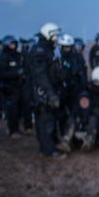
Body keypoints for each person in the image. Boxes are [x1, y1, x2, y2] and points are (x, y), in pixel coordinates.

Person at [29, 22, 66, 159]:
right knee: (47, 121)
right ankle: (48, 151)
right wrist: (50, 94)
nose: (57, 38)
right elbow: (41, 75)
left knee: (47, 120)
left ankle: (47, 147)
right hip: (44, 92)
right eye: (55, 35)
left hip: (48, 89)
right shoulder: (40, 51)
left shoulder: (48, 50)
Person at [0, 35, 25, 138]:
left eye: (14, 44)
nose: (13, 46)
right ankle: (12, 130)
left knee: (19, 109)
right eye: (11, 44)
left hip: (18, 87)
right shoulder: (2, 57)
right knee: (11, 110)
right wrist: (16, 73)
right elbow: (2, 73)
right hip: (8, 88)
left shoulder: (18, 55)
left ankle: (17, 128)